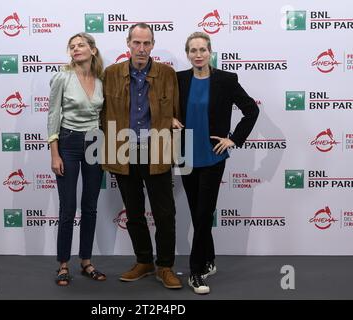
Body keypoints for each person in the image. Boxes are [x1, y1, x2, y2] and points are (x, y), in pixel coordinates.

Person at [101, 23, 182, 289]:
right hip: (123, 153)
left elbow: (176, 111)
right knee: (134, 213)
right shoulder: (111, 74)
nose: (141, 49)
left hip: (157, 150)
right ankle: (144, 261)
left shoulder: (167, 74)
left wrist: (170, 120)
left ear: (152, 45)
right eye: (137, 43)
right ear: (128, 43)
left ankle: (166, 266)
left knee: (165, 213)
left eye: (146, 43)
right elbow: (103, 115)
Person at [177, 32, 259, 294]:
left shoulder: (225, 79)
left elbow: (251, 110)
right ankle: (209, 259)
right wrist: (168, 119)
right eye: (193, 50)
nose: (198, 54)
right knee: (197, 214)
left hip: (213, 157)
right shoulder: (180, 79)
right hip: (187, 157)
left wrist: (233, 139)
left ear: (210, 51)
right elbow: (164, 106)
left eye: (202, 49)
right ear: (187, 53)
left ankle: (196, 272)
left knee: (203, 215)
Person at [48, 32, 106, 286]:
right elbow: (53, 115)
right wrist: (54, 153)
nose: (76, 49)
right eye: (72, 46)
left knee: (90, 207)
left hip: (95, 142)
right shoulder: (62, 77)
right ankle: (63, 264)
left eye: (81, 45)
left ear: (93, 50)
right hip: (68, 143)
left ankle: (86, 261)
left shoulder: (101, 80)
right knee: (68, 208)